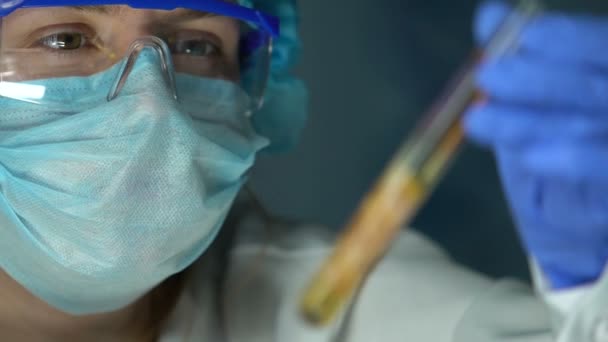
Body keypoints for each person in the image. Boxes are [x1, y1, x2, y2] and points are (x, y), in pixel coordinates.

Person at [0, 1, 605, 342]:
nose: (150, 105)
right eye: (63, 39)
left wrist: (593, 289)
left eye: (195, 45)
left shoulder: (345, 310)